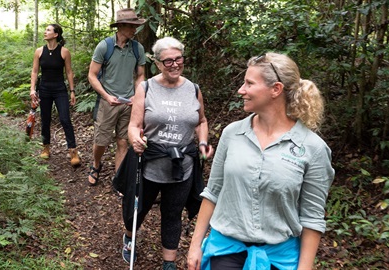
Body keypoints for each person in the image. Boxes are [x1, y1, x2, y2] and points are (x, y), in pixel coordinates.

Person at [187, 53, 335, 270]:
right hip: (226, 252)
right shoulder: (232, 134)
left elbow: (312, 218)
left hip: (279, 258)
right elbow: (213, 192)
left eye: (249, 83)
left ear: (275, 89)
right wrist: (195, 245)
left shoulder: (312, 148)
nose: (241, 90)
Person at [120, 37, 214, 270]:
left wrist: (203, 142)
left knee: (173, 213)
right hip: (150, 162)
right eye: (168, 61)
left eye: (178, 59)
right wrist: (135, 139)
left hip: (183, 165)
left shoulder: (193, 89)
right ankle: (130, 236)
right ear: (158, 64)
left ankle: (168, 263)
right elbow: (133, 125)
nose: (174, 64)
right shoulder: (146, 87)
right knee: (137, 209)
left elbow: (201, 121)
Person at [87, 8, 146, 186]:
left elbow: (141, 74)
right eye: (131, 26)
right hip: (107, 103)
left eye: (136, 26)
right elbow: (92, 75)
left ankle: (118, 178)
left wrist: (137, 96)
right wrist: (106, 96)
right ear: (120, 26)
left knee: (123, 140)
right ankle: (96, 164)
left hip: (129, 103)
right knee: (101, 141)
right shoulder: (105, 46)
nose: (135, 30)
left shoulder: (137, 48)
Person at [30, 23, 81, 167]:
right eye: (45, 29)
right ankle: (46, 147)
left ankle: (73, 151)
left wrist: (72, 91)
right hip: (44, 88)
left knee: (65, 119)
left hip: (59, 89)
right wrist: (32, 89)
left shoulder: (64, 52)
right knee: (45, 119)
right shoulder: (39, 51)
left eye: (48, 30)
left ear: (56, 34)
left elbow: (69, 72)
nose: (45, 32)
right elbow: (34, 71)